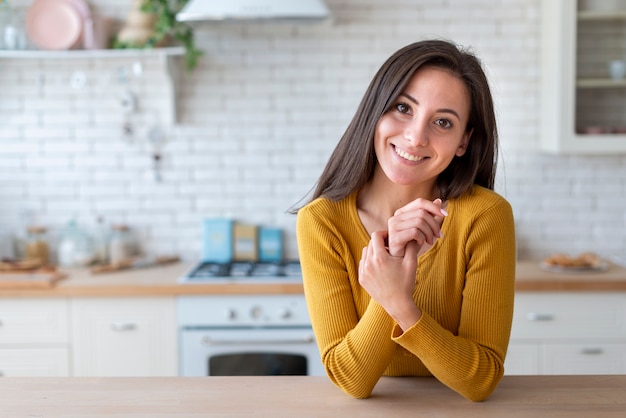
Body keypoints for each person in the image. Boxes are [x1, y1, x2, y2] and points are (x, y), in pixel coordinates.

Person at [293, 39, 516, 402]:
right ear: (375, 112)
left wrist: (399, 301)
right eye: (403, 108)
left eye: (443, 122)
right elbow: (351, 380)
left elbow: (481, 380)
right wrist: (390, 276)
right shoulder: (322, 221)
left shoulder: (486, 217)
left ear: (464, 141)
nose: (415, 137)